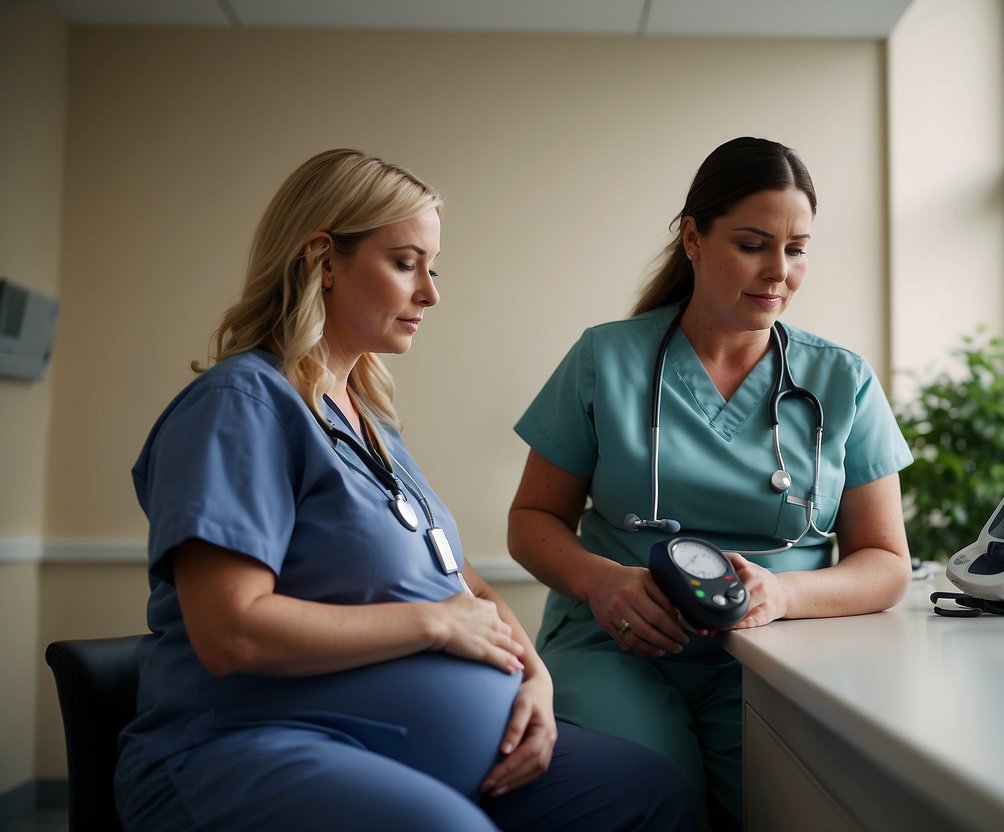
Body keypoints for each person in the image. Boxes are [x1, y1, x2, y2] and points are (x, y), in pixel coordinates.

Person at [113, 148, 697, 832]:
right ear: (323, 261)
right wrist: (432, 624)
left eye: (432, 267)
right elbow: (230, 630)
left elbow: (463, 585)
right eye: (405, 263)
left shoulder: (366, 420)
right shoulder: (241, 405)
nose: (430, 293)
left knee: (649, 793)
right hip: (246, 746)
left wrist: (533, 676)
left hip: (414, 754)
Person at [508, 136, 914, 831]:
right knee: (650, 790)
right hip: (616, 644)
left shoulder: (839, 379)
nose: (778, 271)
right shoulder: (605, 358)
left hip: (773, 652)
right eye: (753, 244)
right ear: (692, 238)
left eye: (797, 248)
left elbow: (885, 564)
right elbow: (532, 520)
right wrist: (599, 581)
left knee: (775, 805)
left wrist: (782, 593)